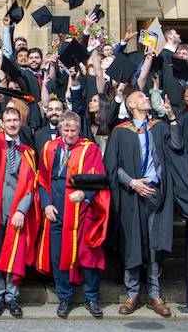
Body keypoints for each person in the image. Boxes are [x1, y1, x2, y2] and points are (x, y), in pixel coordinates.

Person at [104, 93, 183, 316]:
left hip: (157, 194)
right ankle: (132, 294)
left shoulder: (159, 126)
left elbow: (178, 147)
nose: (146, 98)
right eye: (141, 97)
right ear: (131, 104)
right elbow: (111, 166)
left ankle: (155, 294)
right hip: (131, 194)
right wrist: (132, 182)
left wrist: (172, 118)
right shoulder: (120, 131)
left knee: (155, 244)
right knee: (132, 243)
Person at [36, 112, 110, 318]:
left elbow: (99, 178)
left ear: (79, 129)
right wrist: (46, 205)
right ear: (60, 129)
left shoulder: (90, 149)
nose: (69, 134)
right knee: (59, 255)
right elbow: (41, 177)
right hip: (57, 208)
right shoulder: (49, 148)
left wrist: (85, 193)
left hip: (83, 211)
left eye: (73, 130)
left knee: (88, 256)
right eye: (65, 130)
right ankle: (64, 297)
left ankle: (92, 298)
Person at [0, 96, 39, 317]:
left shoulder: (29, 152)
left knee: (14, 252)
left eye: (15, 120)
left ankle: (12, 296)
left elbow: (31, 185)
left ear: (20, 123)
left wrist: (22, 209)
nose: (12, 123)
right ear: (2, 122)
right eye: (8, 120)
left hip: (16, 211)